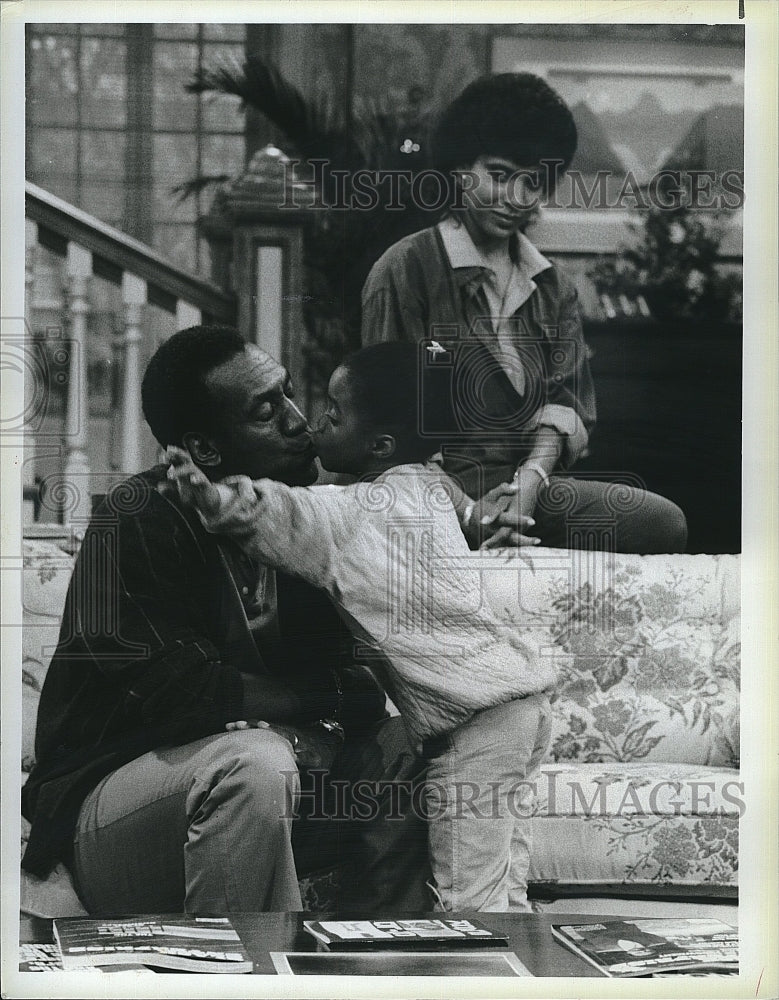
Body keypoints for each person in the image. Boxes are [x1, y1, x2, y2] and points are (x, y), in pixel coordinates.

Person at [21, 325, 430, 915]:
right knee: (257, 763)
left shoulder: (304, 522)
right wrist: (298, 716)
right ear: (206, 451)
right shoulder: (135, 520)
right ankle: (234, 971)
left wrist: (310, 708)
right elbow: (178, 694)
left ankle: (380, 960)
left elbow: (357, 689)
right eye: (268, 409)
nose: (300, 422)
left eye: (290, 394)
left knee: (406, 744)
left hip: (269, 792)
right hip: (110, 811)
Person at [166, 340, 558, 912]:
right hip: (524, 707)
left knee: (468, 900)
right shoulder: (422, 481)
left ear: (378, 445)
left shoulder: (348, 513)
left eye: (333, 412)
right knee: (504, 882)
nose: (313, 422)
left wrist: (211, 496)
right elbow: (455, 501)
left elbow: (284, 512)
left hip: (475, 727)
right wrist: (482, 518)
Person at [361, 71, 688, 553]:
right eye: (498, 175)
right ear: (458, 169)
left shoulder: (553, 286)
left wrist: (526, 493)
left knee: (663, 523)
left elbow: (567, 404)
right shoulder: (404, 271)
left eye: (532, 183)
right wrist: (469, 513)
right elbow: (387, 428)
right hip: (423, 494)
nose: (517, 198)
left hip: (526, 491)